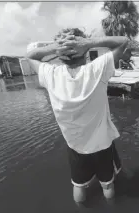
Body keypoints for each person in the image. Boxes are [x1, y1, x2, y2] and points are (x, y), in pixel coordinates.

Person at [25, 28, 129, 204]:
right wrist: (88, 43)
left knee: (79, 186)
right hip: (102, 145)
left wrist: (55, 47)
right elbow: (124, 41)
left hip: (75, 147)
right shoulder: (97, 70)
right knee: (107, 186)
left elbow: (30, 56)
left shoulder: (51, 75)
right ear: (84, 51)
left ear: (61, 55)